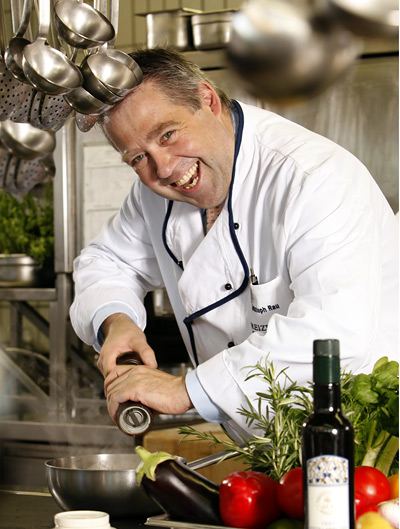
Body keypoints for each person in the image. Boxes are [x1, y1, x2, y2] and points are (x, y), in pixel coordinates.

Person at [70, 48, 399, 442]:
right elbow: (107, 261)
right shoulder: (152, 196)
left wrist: (186, 391)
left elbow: (332, 333)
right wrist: (117, 322)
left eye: (168, 134)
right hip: (263, 449)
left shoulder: (314, 178)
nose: (164, 169)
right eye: (138, 157)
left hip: (361, 446)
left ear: (207, 99)